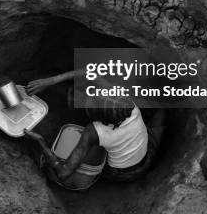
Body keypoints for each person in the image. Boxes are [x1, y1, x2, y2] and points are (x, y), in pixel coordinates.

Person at [24, 69, 165, 184]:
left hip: (119, 174)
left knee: (88, 147)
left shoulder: (93, 131)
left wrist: (40, 142)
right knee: (161, 112)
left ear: (100, 120)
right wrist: (51, 81)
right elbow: (90, 73)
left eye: (88, 108)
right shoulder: (126, 102)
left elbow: (63, 173)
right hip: (148, 155)